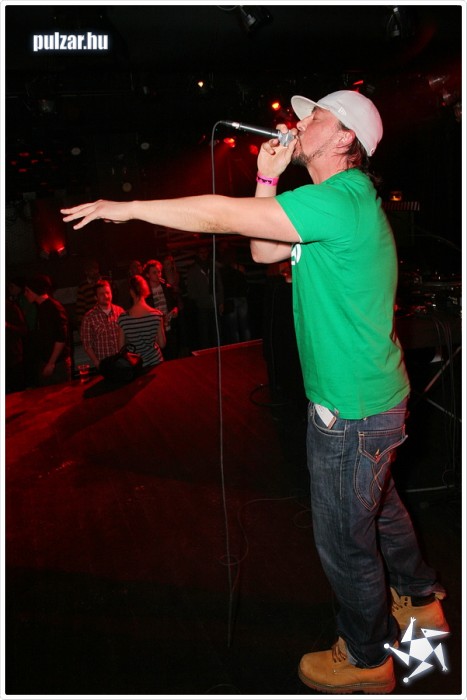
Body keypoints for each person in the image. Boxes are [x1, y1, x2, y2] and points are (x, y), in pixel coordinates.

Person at [62, 89, 448, 693]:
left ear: (344, 137)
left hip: (351, 407)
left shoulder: (338, 199)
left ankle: (367, 659)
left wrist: (130, 207)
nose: (300, 121)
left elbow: (221, 216)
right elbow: (265, 249)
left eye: (315, 115)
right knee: (381, 504)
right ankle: (422, 598)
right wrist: (267, 178)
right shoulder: (335, 200)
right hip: (374, 399)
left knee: (344, 539)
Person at [24, 273, 71, 386]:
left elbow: (61, 337)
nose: (25, 294)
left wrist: (51, 363)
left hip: (57, 364)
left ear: (34, 291)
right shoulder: (41, 307)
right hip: (48, 361)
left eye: (27, 291)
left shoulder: (53, 307)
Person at [117, 274, 166, 368]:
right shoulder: (157, 315)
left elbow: (121, 348)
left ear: (131, 292)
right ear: (145, 290)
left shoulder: (123, 319)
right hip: (156, 362)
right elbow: (162, 344)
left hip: (136, 365)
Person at [80, 279, 125, 370]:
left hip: (122, 361)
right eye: (101, 294)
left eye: (108, 293)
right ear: (95, 297)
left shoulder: (120, 312)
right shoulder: (89, 317)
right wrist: (97, 362)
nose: (106, 296)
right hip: (104, 363)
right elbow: (87, 344)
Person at [143, 259, 179, 359]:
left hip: (169, 328)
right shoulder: (146, 293)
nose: (158, 275)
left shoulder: (166, 288)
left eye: (159, 272)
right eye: (154, 272)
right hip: (155, 332)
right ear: (148, 275)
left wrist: (175, 311)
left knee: (172, 356)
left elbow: (175, 304)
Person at [74, 258, 101, 329]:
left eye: (96, 269)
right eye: (91, 270)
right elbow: (80, 309)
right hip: (92, 322)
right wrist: (81, 326)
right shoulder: (83, 287)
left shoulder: (105, 283)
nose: (94, 272)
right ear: (86, 272)